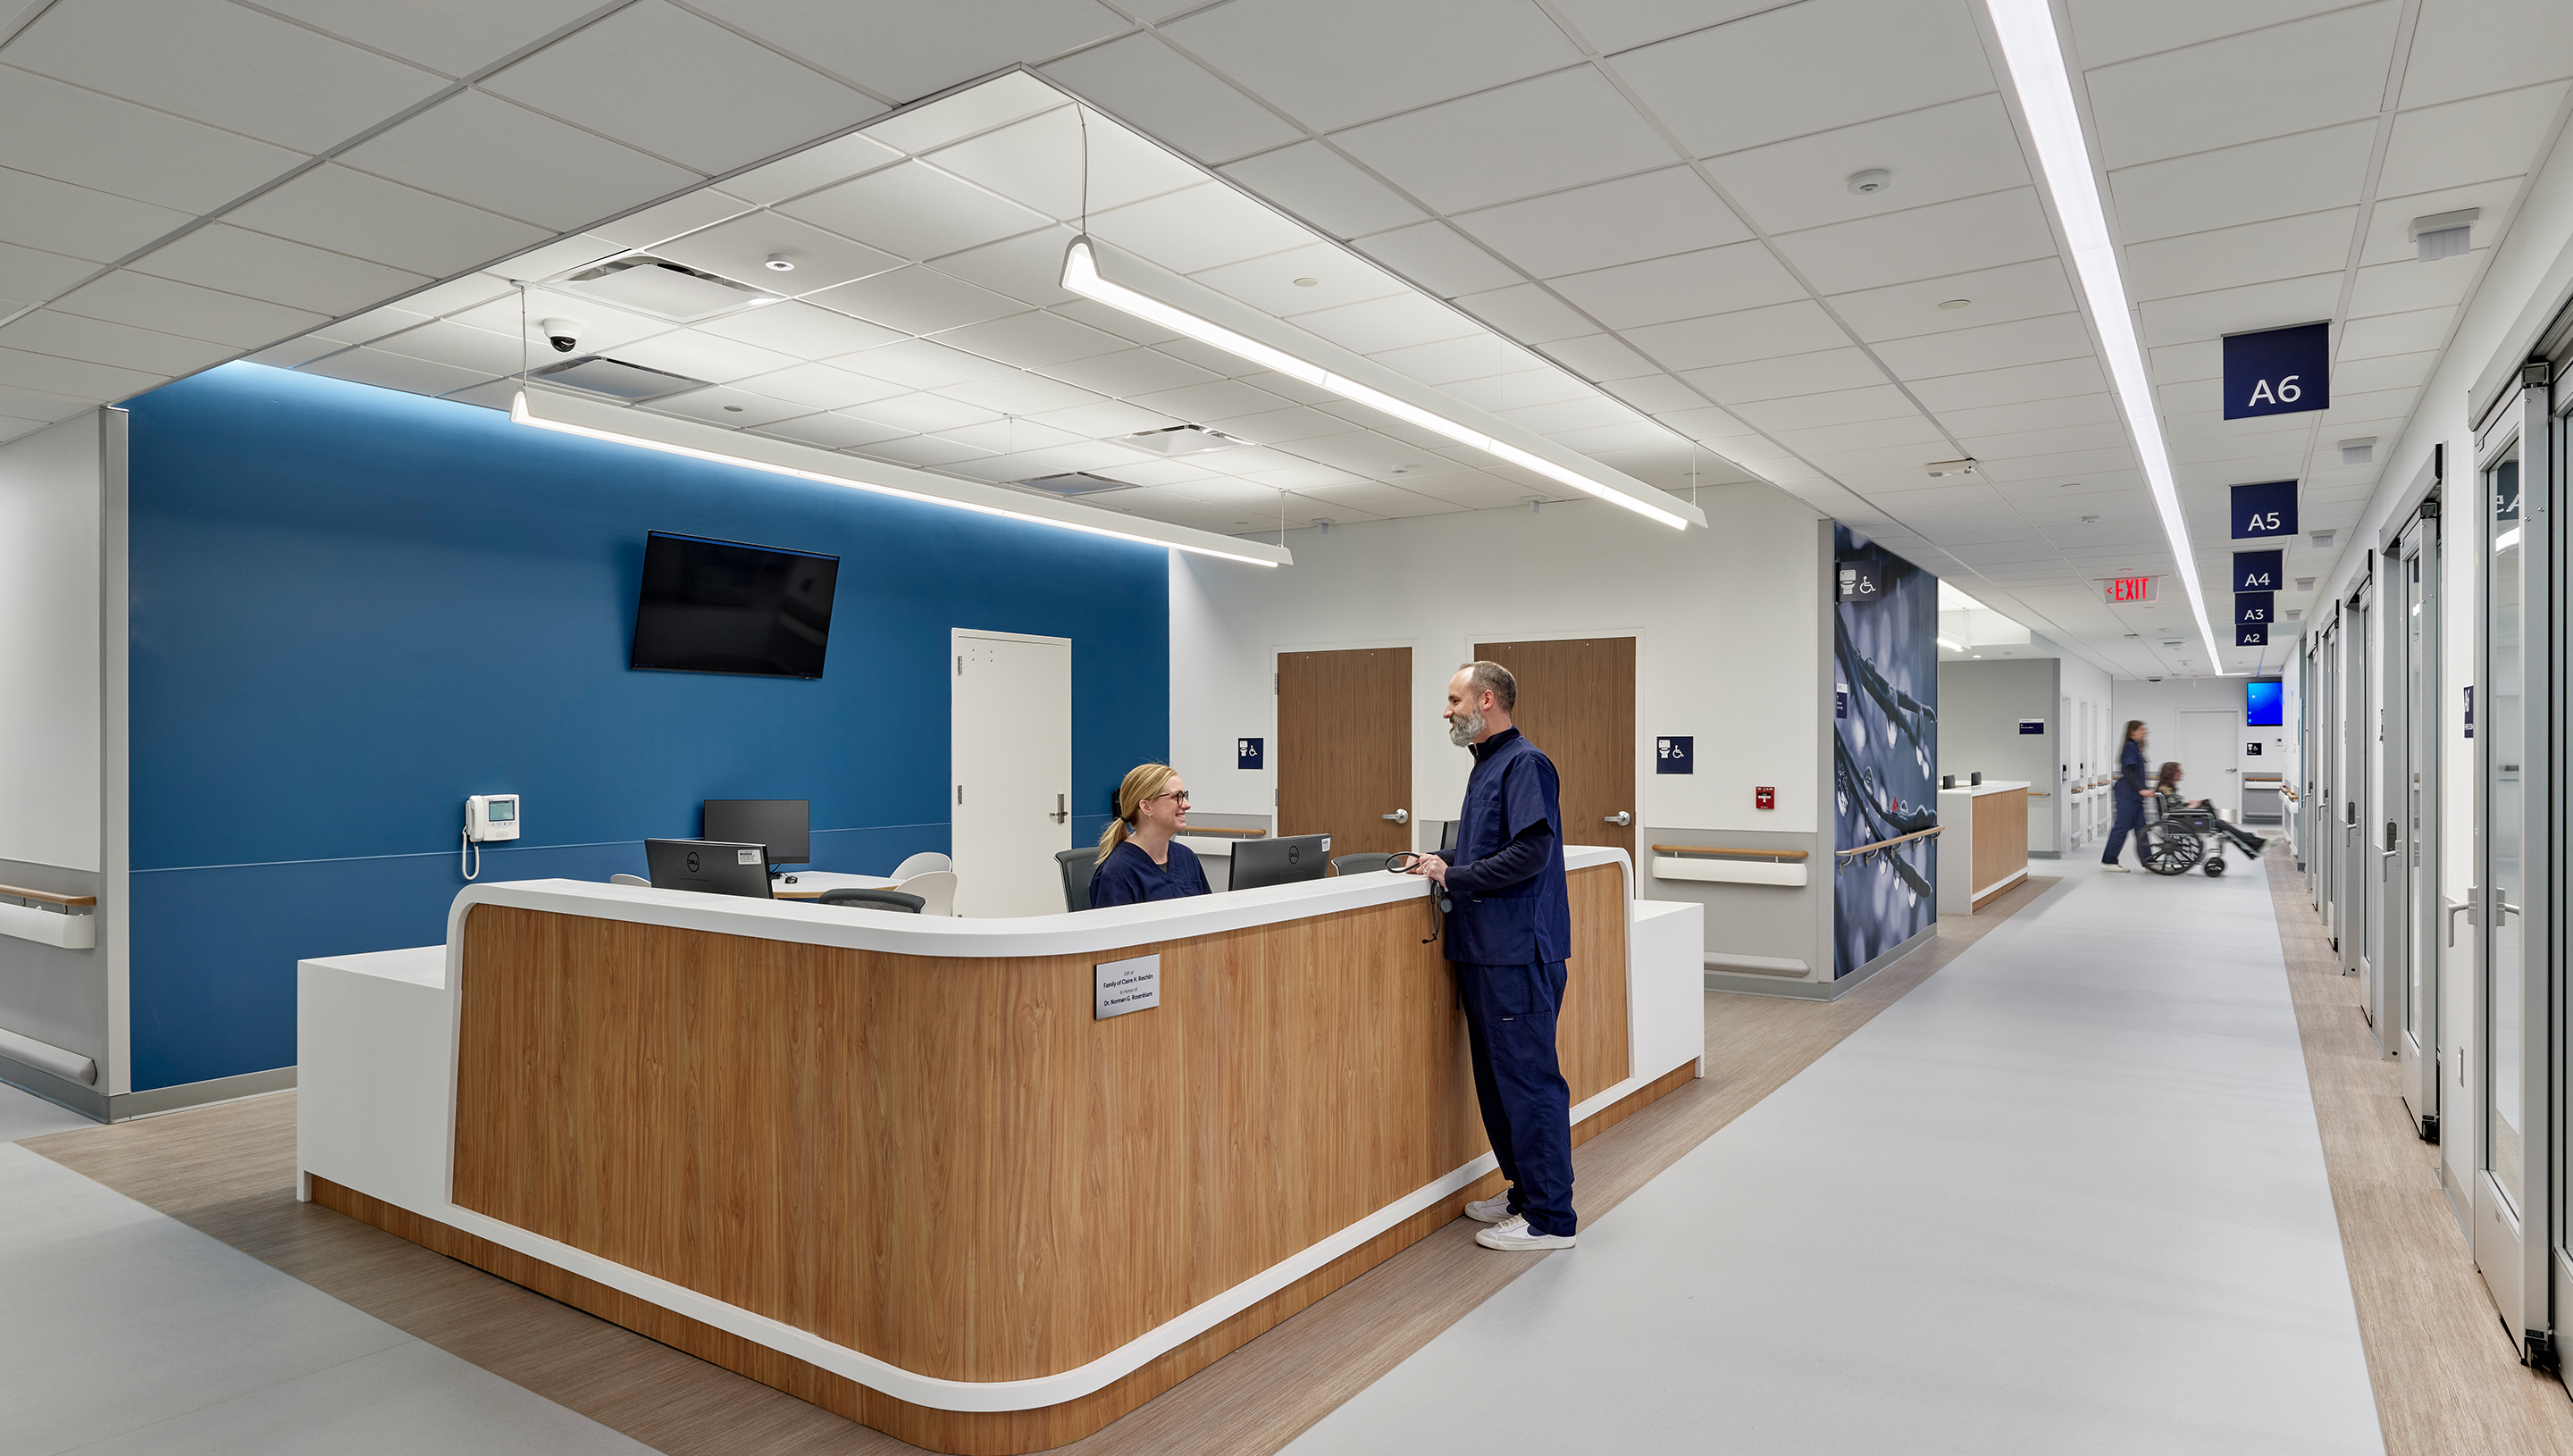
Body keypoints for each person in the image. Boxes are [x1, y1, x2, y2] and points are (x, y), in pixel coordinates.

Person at [1408, 661, 1577, 1252]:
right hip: (1485, 954)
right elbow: (1488, 849)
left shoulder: (1525, 763)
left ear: (1486, 700)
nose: (1446, 711)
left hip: (1517, 954)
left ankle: (1551, 1218)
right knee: (1498, 1081)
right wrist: (1440, 859)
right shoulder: (1486, 765)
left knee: (1528, 1082)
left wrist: (1454, 875)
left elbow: (1530, 853)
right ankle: (1525, 1193)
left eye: (1454, 700)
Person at [1088, 763, 1212, 908]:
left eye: (1184, 796)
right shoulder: (1117, 871)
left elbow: (1207, 913)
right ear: (1146, 807)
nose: (1186, 805)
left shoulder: (1186, 857)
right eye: (1176, 797)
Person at [2154, 762, 2267, 856]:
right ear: (2171, 773)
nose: (2182, 773)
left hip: (2180, 820)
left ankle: (2252, 843)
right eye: (2179, 771)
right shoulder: (2165, 789)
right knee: (2219, 824)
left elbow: (2174, 807)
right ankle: (2253, 842)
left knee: (2218, 822)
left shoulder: (2166, 788)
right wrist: (2191, 807)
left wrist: (2188, 804)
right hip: (2179, 822)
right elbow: (2174, 810)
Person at [2100, 720, 2150, 872]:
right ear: (2132, 732)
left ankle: (2150, 863)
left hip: (2135, 796)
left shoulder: (2136, 748)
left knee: (2142, 830)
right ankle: (2109, 862)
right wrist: (2141, 789)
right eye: (2142, 729)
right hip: (2127, 794)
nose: (2145, 732)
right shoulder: (2130, 747)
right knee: (2122, 827)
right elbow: (2128, 771)